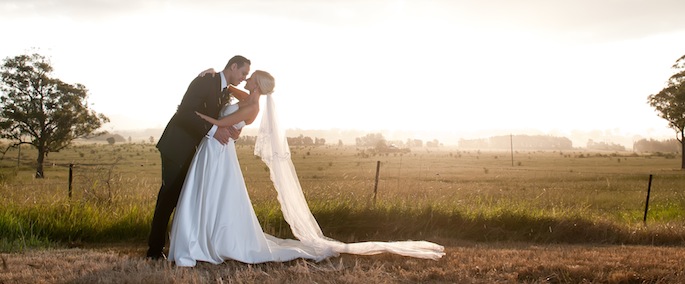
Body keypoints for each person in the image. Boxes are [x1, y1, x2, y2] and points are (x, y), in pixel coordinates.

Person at [167, 69, 445, 267]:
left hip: (218, 150)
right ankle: (206, 237)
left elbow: (222, 125)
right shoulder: (250, 97)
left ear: (256, 85)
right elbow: (226, 89)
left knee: (214, 196)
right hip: (216, 152)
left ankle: (211, 240)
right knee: (212, 197)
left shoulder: (253, 107)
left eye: (251, 77)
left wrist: (196, 117)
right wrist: (211, 75)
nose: (247, 77)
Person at [147, 55, 251, 260]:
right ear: (233, 66)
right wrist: (214, 130)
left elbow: (247, 100)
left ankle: (181, 243)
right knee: (168, 197)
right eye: (243, 73)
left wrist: (230, 129)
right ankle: (154, 250)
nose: (244, 78)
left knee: (184, 198)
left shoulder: (224, 89)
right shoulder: (205, 81)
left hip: (195, 150)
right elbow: (184, 113)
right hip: (178, 145)